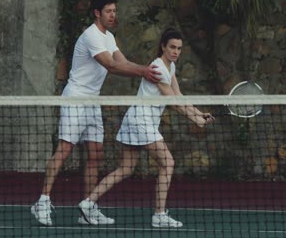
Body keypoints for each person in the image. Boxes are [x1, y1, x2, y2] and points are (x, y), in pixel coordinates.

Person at [30, 0, 162, 226]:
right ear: (97, 13)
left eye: (114, 11)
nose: (113, 15)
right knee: (64, 149)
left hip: (93, 100)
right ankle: (42, 201)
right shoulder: (91, 35)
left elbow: (123, 61)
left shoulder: (108, 37)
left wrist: (144, 69)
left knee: (95, 154)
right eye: (109, 11)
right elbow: (111, 65)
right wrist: (143, 71)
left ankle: (88, 207)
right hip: (75, 98)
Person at [77, 28, 215, 227]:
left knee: (125, 169)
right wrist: (195, 119)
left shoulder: (171, 68)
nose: (176, 52)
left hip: (134, 120)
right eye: (172, 47)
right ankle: (159, 215)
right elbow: (173, 102)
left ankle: (88, 203)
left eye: (179, 48)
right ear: (163, 47)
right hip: (141, 122)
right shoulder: (157, 68)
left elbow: (180, 96)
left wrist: (199, 113)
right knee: (168, 163)